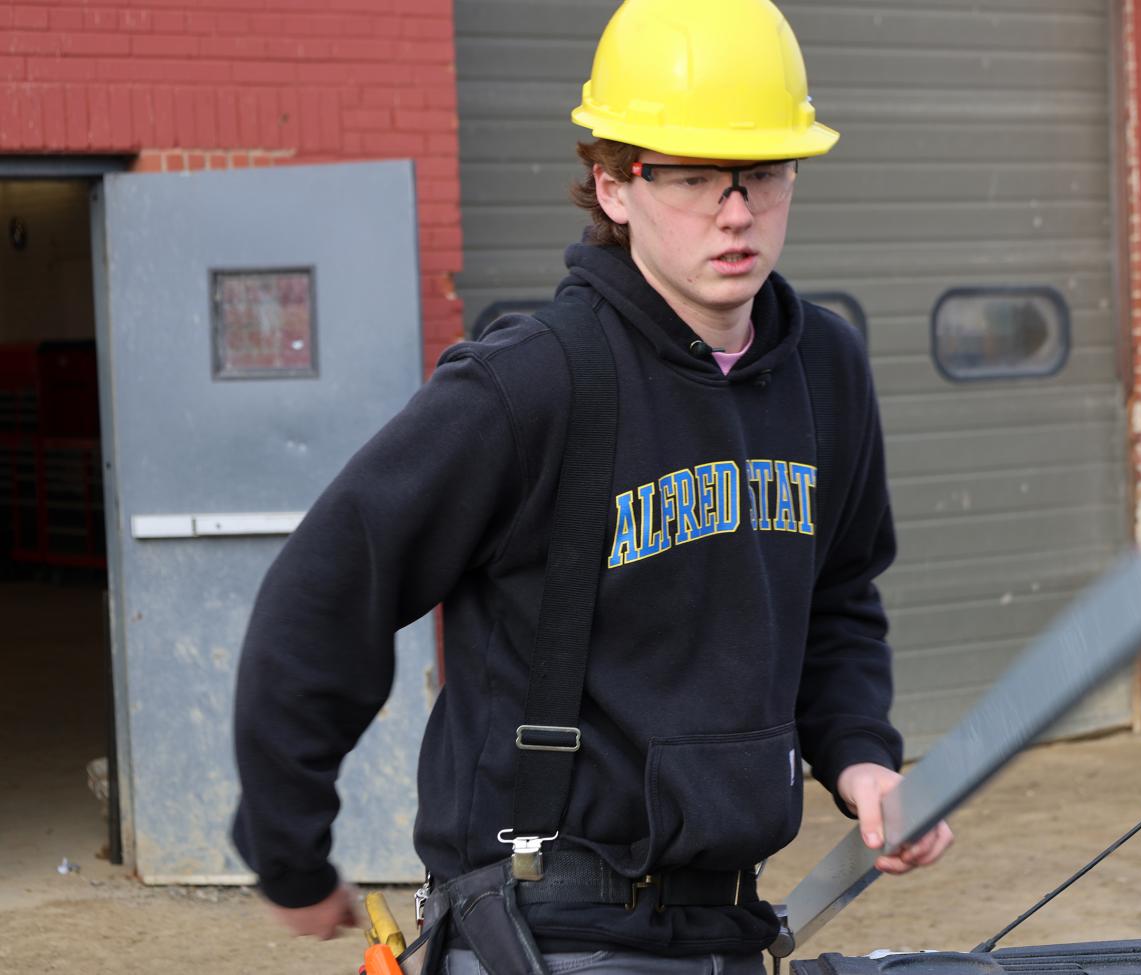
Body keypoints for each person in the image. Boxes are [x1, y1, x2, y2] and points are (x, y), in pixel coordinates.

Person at [231, 0, 953, 971]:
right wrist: (289, 850)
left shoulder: (826, 370)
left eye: (763, 173)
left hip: (727, 924)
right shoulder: (529, 384)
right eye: (691, 177)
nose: (736, 211)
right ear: (614, 185)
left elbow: (838, 598)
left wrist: (862, 758)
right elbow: (325, 590)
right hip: (547, 929)